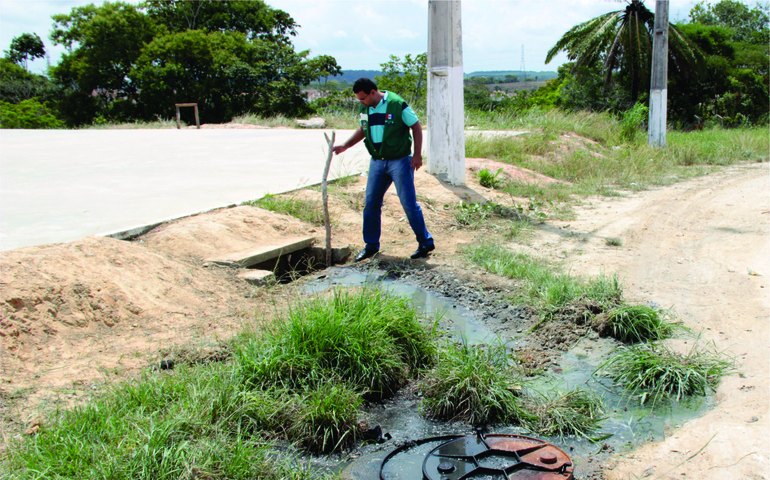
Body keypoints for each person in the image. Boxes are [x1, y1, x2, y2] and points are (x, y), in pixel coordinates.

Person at [332, 78, 435, 262]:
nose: (361, 102)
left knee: (408, 203)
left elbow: (416, 127)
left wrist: (417, 155)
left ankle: (425, 242)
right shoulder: (365, 107)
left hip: (400, 161)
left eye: (363, 98)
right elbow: (363, 130)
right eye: (358, 99)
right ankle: (371, 246)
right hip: (378, 161)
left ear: (373, 92)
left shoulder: (396, 104)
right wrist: (345, 146)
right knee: (371, 203)